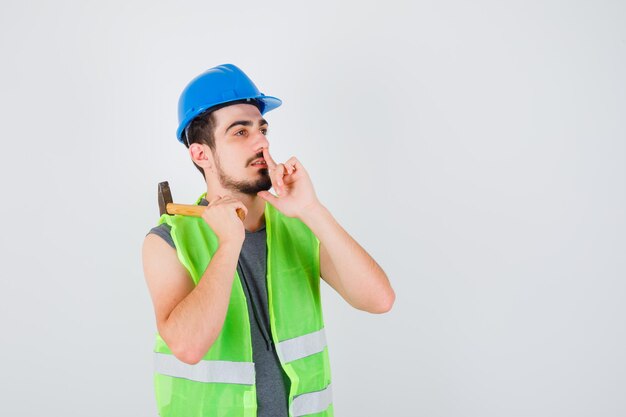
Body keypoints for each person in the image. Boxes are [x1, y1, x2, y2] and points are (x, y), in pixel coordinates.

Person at [142, 63, 395, 417]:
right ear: (201, 154)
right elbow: (187, 346)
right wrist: (229, 244)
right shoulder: (169, 240)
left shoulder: (297, 224)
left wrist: (311, 208)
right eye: (240, 132)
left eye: (262, 129)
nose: (262, 141)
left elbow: (379, 300)